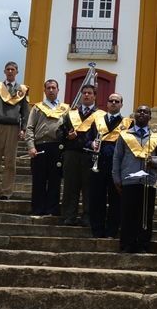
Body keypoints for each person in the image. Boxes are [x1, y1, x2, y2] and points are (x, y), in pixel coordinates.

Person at [114, 105, 157, 254]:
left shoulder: (156, 137)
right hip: (129, 179)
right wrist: (116, 178)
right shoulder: (125, 135)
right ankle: (127, 244)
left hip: (148, 181)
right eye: (139, 111)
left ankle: (143, 244)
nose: (142, 113)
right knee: (128, 214)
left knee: (146, 215)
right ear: (134, 115)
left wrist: (155, 162)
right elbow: (117, 157)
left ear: (150, 117)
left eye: (145, 112)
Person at [0, 61, 29, 200]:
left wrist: (24, 128)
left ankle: (6, 192)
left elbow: (25, 111)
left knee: (10, 161)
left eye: (13, 69)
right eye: (8, 69)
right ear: (4, 71)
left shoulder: (22, 90)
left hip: (13, 127)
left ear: (17, 72)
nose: (10, 71)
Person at [89, 93, 131, 237]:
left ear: (121, 105)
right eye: (111, 101)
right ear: (106, 104)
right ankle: (97, 229)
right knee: (97, 198)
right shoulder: (96, 120)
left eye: (117, 101)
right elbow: (87, 138)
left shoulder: (128, 123)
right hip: (98, 163)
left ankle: (112, 230)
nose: (113, 103)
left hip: (117, 166)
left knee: (116, 199)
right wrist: (91, 143)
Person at [25, 79, 68, 216]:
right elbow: (30, 128)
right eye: (48, 88)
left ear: (58, 90)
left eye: (53, 87)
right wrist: (31, 146)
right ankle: (38, 208)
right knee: (39, 179)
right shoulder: (37, 108)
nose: (51, 90)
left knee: (55, 180)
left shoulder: (65, 109)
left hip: (58, 147)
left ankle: (52, 209)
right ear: (44, 90)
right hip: (40, 147)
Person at [57, 85, 98, 226]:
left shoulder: (100, 115)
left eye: (90, 93)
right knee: (70, 186)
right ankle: (69, 215)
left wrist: (94, 143)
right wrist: (67, 136)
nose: (86, 95)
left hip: (89, 155)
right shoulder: (70, 113)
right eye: (84, 93)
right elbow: (59, 132)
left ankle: (87, 216)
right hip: (72, 153)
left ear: (94, 96)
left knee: (89, 187)